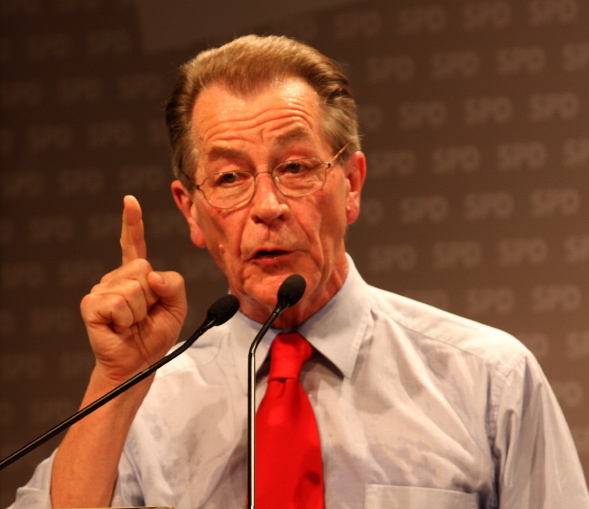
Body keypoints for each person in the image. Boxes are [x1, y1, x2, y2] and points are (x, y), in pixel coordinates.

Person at [9, 34, 589, 509]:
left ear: (352, 184)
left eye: (294, 166)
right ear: (191, 209)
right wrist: (114, 382)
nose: (268, 205)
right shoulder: (142, 399)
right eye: (230, 177)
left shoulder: (491, 382)